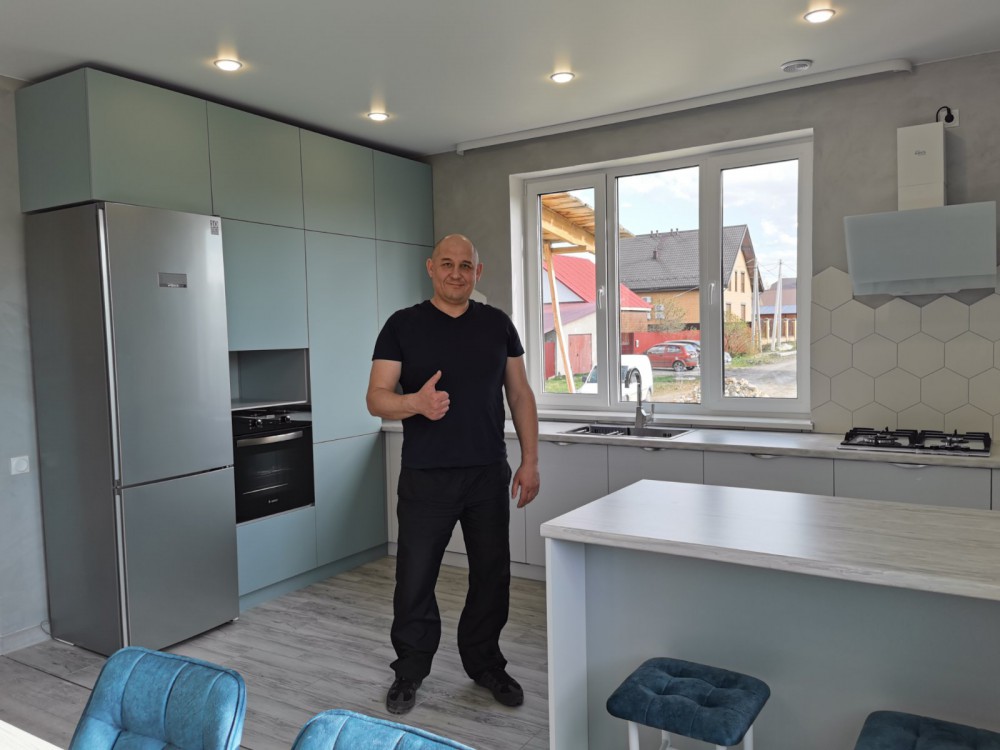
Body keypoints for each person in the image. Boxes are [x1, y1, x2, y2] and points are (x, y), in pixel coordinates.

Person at [366, 233, 540, 715]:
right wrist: (415, 403)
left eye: (466, 265)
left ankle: (485, 664)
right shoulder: (402, 325)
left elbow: (520, 393)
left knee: (491, 575)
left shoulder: (498, 325)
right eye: (447, 263)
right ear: (431, 268)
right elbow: (376, 397)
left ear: (477, 273)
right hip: (427, 476)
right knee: (415, 578)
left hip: (487, 473)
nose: (456, 273)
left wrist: (530, 460)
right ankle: (409, 669)